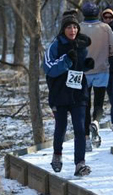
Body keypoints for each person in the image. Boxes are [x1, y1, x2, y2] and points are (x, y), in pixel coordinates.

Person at [43, 9, 94, 176]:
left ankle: (80, 164)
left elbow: (77, 69)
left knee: (80, 128)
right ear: (63, 29)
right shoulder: (55, 45)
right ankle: (57, 155)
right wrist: (66, 59)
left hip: (78, 93)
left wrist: (86, 65)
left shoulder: (81, 45)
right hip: (59, 94)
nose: (72, 30)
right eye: (69, 27)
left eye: (75, 27)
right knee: (61, 128)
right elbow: (49, 69)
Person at [79, 2, 113, 152]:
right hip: (102, 69)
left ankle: (87, 139)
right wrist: (108, 54)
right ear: (97, 13)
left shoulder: (78, 27)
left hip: (83, 72)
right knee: (99, 102)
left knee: (85, 105)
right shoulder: (105, 27)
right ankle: (96, 121)